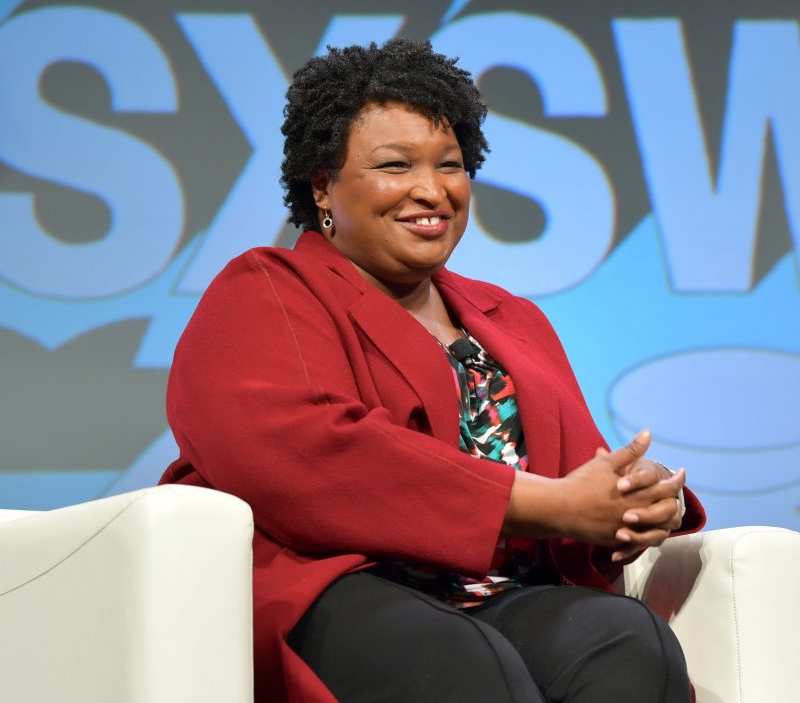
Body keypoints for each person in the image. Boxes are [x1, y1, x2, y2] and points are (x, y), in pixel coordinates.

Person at [161, 39, 705, 702]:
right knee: (458, 662)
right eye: (395, 166)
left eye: (450, 165)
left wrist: (639, 502)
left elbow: (581, 478)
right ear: (323, 184)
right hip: (345, 593)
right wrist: (549, 504)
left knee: (627, 642)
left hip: (500, 602)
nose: (432, 190)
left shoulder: (512, 319)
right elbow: (314, 455)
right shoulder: (267, 290)